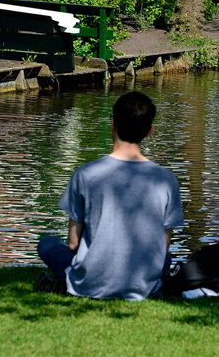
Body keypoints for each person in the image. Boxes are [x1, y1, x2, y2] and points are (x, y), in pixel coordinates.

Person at [35, 91, 183, 300]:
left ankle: (66, 281)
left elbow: (73, 244)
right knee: (166, 257)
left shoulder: (85, 174)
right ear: (150, 131)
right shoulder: (166, 180)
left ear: (112, 124)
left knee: (48, 244)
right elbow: (162, 246)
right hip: (144, 286)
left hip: (91, 283)